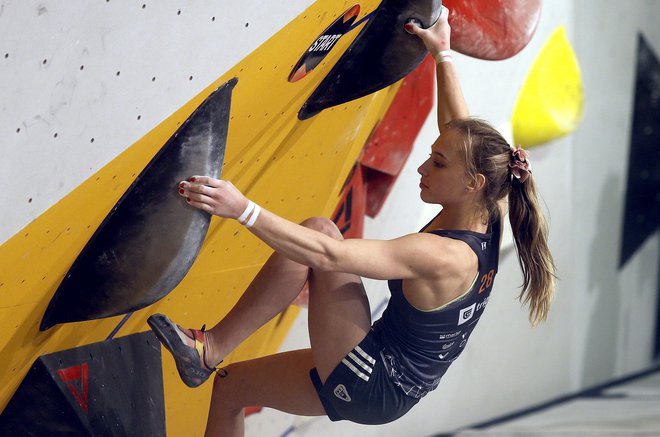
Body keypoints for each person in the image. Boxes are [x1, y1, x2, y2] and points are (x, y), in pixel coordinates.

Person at [147, 6, 556, 436]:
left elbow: (329, 254)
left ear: (471, 183)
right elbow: (458, 130)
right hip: (390, 372)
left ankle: (208, 350)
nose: (422, 169)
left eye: (436, 164)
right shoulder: (486, 204)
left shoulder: (443, 256)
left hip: (376, 380)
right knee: (232, 388)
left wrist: (242, 208)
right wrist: (443, 54)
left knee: (320, 233)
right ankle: (207, 356)